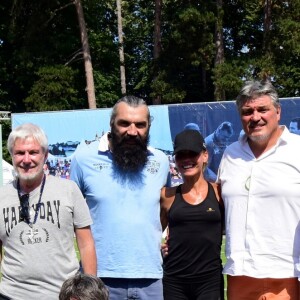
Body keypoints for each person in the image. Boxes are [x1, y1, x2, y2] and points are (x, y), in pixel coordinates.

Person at [70, 96, 171, 300]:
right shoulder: (83, 158)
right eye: (124, 123)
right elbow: (71, 214)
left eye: (140, 125)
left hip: (151, 279)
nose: (132, 131)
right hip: (100, 279)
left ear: (148, 126)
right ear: (111, 124)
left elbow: (163, 209)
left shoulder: (160, 162)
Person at [217, 80, 300, 300]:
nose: (255, 117)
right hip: (239, 276)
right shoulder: (230, 154)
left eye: (263, 109)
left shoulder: (297, 150)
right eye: (247, 111)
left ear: (278, 112)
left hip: (287, 278)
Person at [0, 123, 97, 300]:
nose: (27, 159)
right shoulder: (1, 196)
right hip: (11, 294)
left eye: (33, 152)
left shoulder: (69, 190)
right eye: (20, 153)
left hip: (63, 295)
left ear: (45, 155)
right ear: (12, 156)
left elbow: (86, 244)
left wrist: (88, 293)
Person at [160, 129, 224, 300]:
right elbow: (153, 233)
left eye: (192, 154)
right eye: (181, 155)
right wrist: (160, 247)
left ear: (205, 155)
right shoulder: (167, 195)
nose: (187, 160)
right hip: (174, 282)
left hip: (210, 281)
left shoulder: (219, 193)